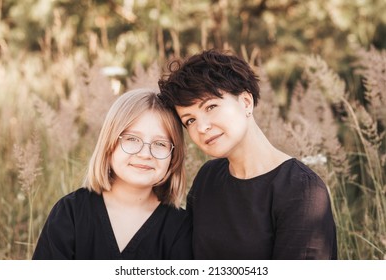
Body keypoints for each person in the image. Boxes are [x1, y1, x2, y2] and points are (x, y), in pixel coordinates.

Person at [158, 49, 337, 260]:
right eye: (190, 120)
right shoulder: (208, 178)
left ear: (246, 102)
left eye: (211, 106)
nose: (202, 127)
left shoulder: (303, 191)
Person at [32, 88, 192, 260]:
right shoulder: (71, 213)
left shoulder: (180, 227)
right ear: (109, 144)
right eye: (132, 139)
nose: (145, 154)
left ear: (173, 156)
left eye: (160, 144)